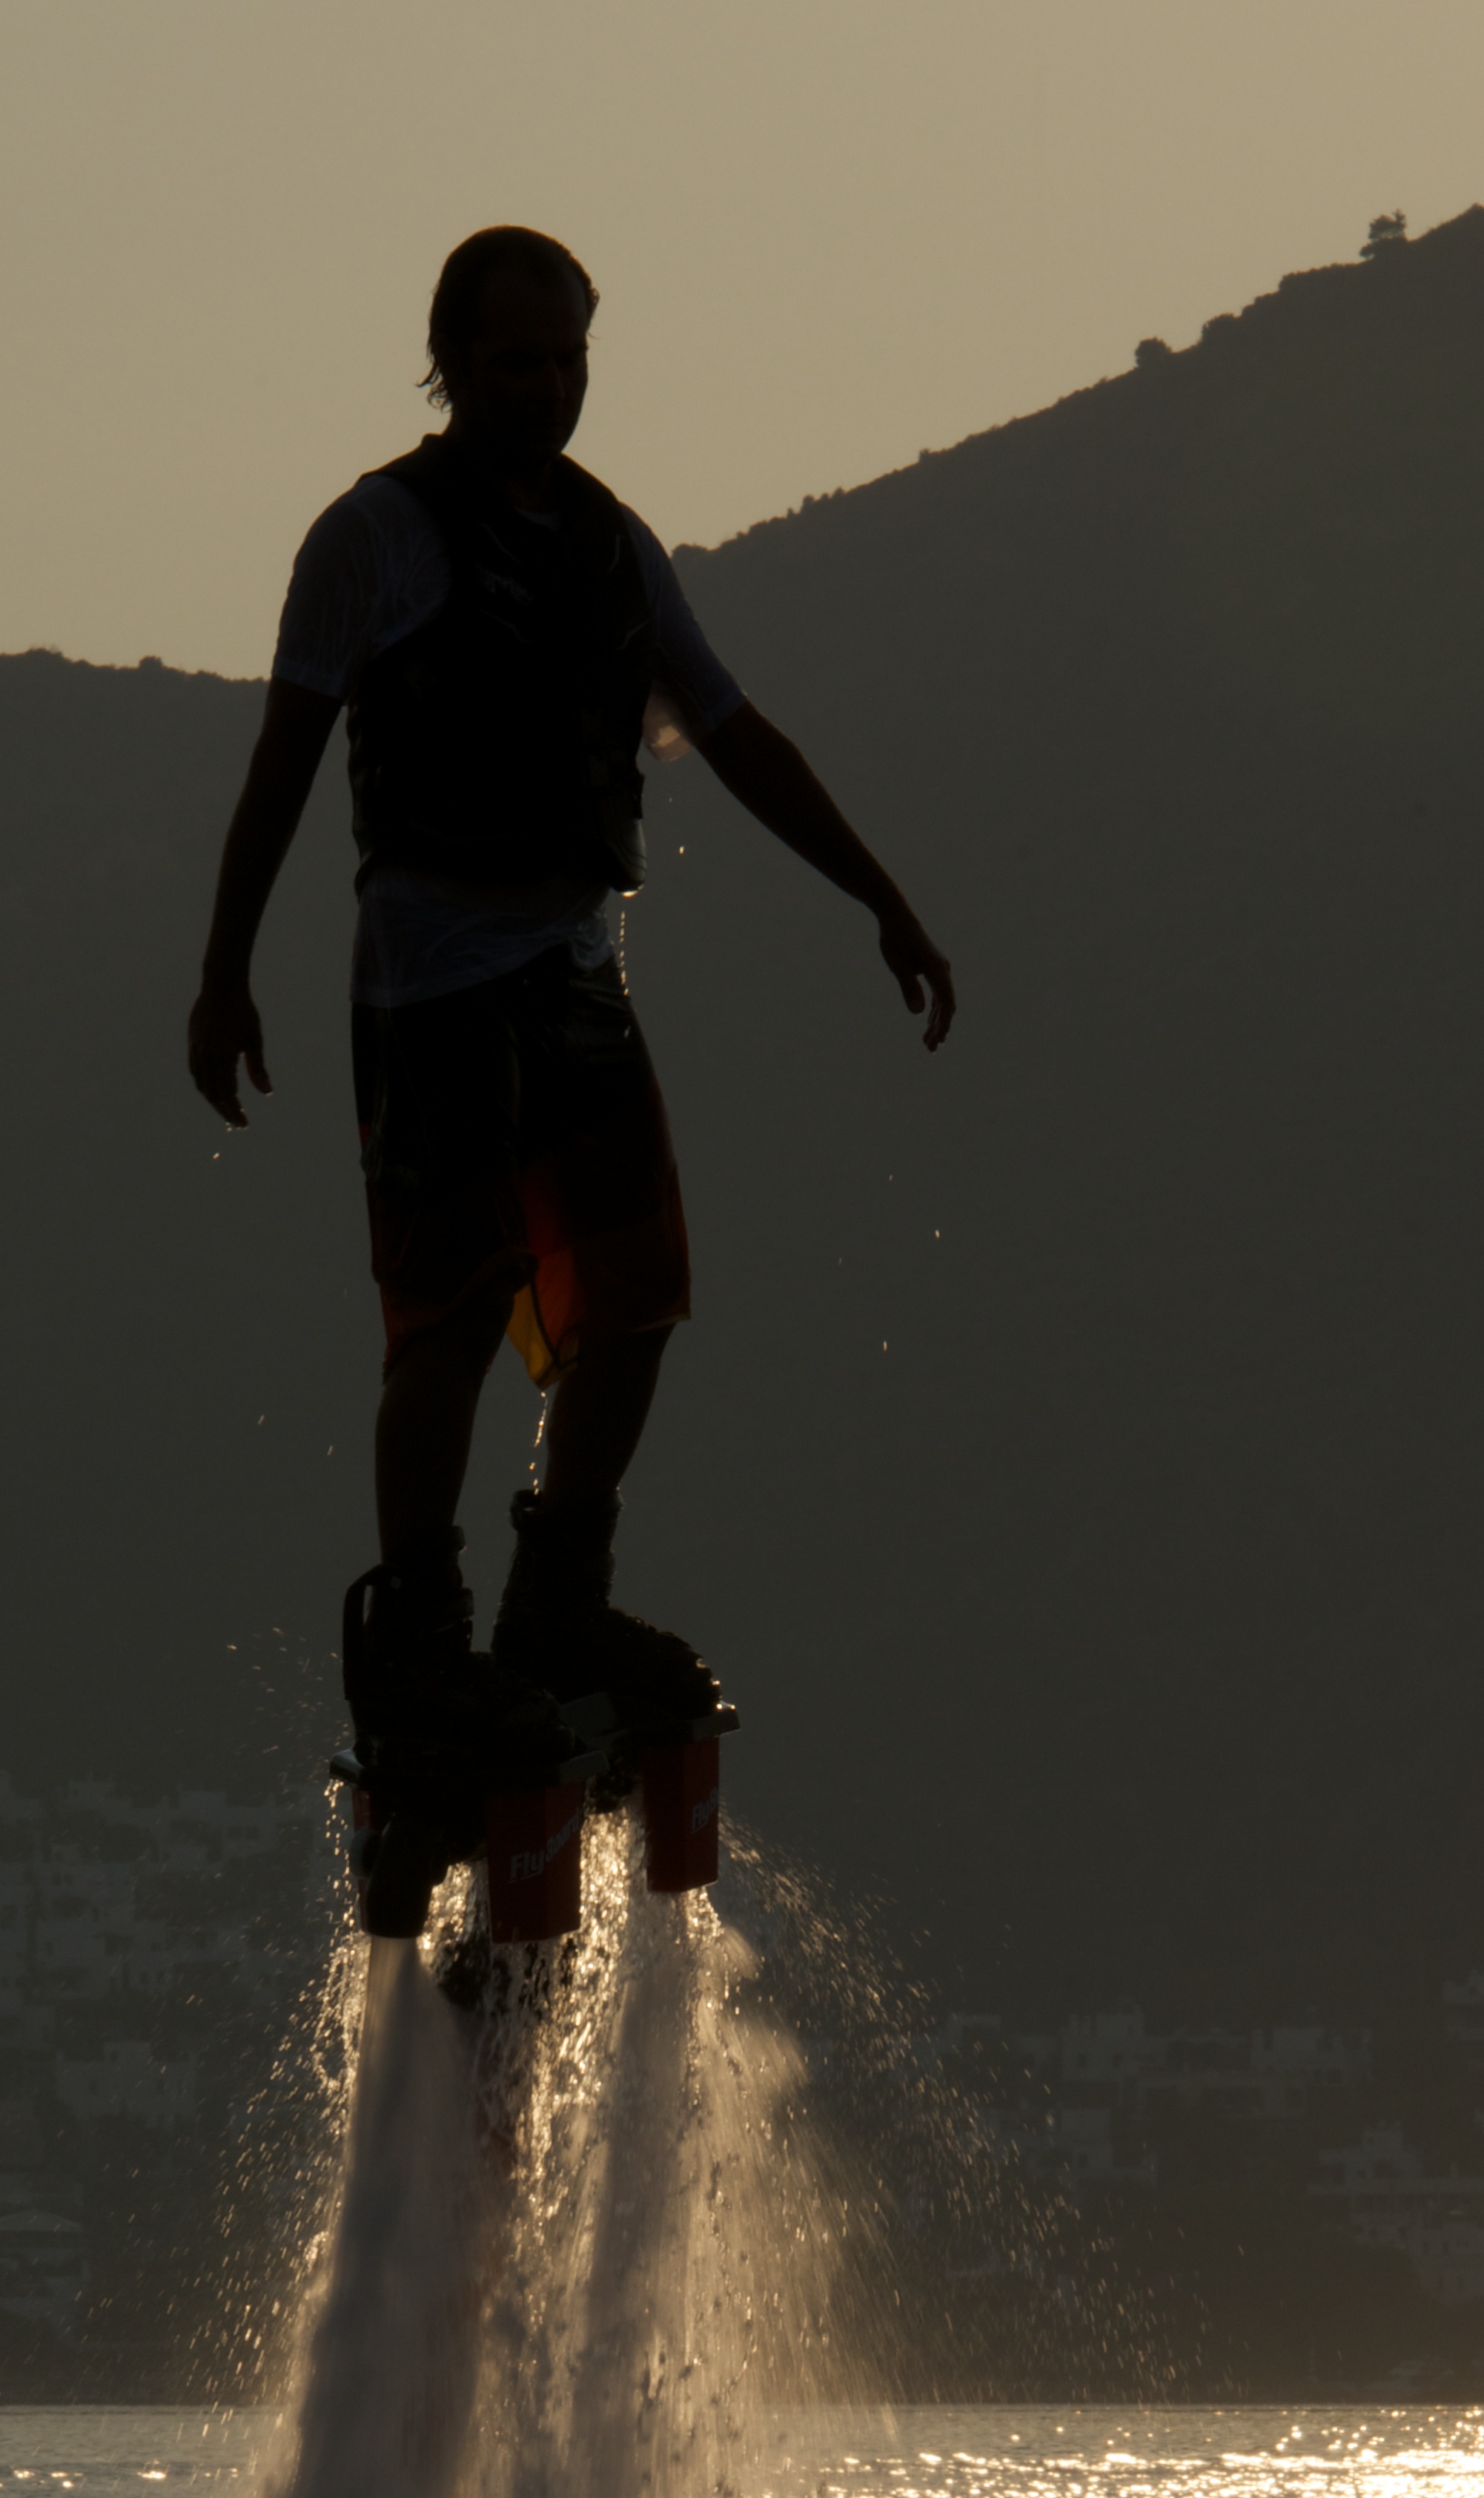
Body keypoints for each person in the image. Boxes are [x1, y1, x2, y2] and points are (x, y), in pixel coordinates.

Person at [186, 224, 955, 1913]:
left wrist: (880, 899)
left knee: (639, 1299)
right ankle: (420, 1638)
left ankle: (558, 1594)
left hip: (576, 971)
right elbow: (283, 762)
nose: (547, 388)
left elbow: (735, 734)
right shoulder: (372, 538)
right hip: (431, 987)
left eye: (569, 360)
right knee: (453, 1312)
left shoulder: (612, 545)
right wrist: (224, 967)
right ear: (451, 364)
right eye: (516, 361)